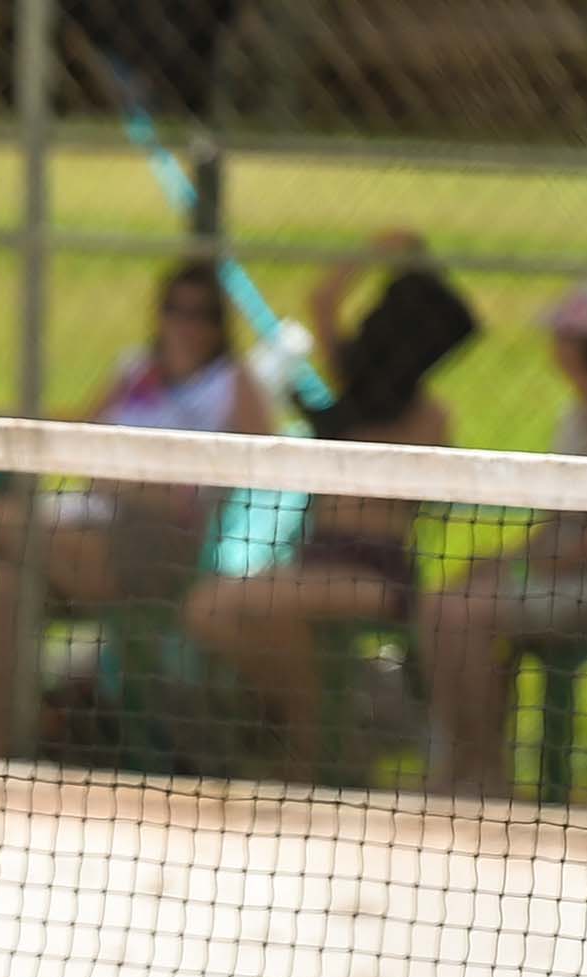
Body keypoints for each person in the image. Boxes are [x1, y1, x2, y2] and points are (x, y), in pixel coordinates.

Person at [0, 258, 278, 749]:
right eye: (175, 310)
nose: (185, 325)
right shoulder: (136, 369)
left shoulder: (233, 383)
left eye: (201, 314)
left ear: (220, 324)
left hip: (154, 552)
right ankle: (9, 754)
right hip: (86, 533)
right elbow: (75, 431)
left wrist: (127, 482)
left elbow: (240, 477)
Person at [180, 231, 469, 782]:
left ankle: (309, 751)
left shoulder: (429, 417)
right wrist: (378, 252)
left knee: (256, 605)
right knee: (209, 610)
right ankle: (319, 737)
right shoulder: (352, 391)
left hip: (376, 573)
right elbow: (321, 302)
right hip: (316, 560)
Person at [416, 280, 587, 799]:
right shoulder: (580, 414)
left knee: (463, 612)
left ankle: (483, 777)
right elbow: (562, 527)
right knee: (441, 602)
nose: (555, 349)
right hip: (572, 580)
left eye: (567, 337)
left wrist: (518, 570)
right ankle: (461, 764)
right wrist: (503, 562)